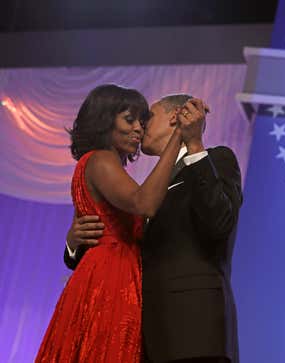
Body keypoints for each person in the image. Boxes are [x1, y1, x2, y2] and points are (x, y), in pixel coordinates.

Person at [64, 93, 242, 363]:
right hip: (141, 336)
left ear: (175, 116)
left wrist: (194, 145)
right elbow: (120, 249)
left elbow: (220, 223)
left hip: (193, 333)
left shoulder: (215, 160)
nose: (141, 126)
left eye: (148, 118)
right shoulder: (147, 187)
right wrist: (73, 246)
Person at [36, 84, 206, 362]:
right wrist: (180, 135)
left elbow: (92, 228)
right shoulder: (101, 160)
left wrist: (71, 244)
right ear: (104, 120)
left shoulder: (96, 164)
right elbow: (144, 203)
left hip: (107, 274)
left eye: (141, 121)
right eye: (130, 119)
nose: (139, 128)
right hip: (110, 280)